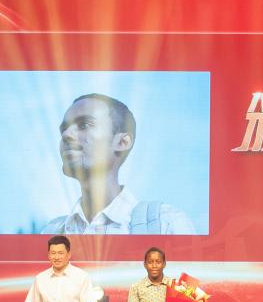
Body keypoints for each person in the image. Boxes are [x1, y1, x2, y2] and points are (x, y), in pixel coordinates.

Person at [43, 93, 197, 235]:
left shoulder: (167, 224)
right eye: (63, 130)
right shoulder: (50, 232)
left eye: (84, 125)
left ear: (122, 142)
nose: (66, 135)